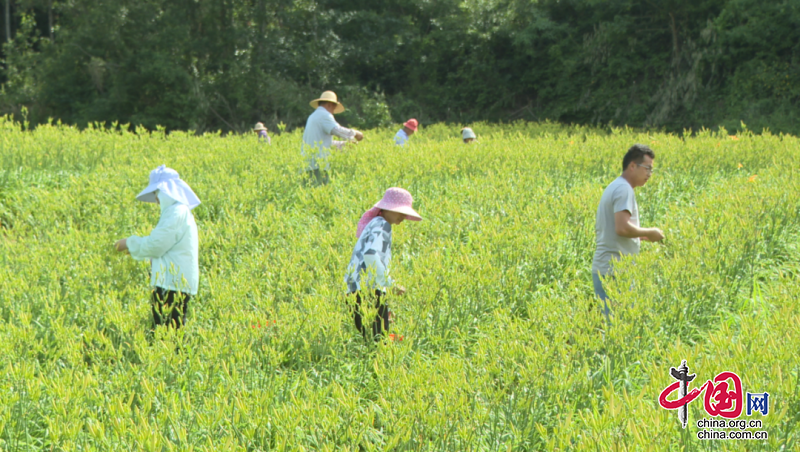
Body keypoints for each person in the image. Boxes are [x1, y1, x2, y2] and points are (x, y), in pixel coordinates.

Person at [114, 165, 201, 330]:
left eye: (157, 193)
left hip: (174, 284)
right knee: (166, 331)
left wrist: (128, 244)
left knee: (167, 332)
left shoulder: (177, 212)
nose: (156, 198)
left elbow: (156, 245)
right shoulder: (176, 212)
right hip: (172, 282)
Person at [592, 144, 665, 323]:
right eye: (647, 168)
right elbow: (622, 228)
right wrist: (651, 232)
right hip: (613, 270)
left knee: (615, 324)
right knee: (616, 326)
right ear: (632, 166)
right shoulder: (624, 189)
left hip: (611, 268)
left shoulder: (618, 186)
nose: (649, 174)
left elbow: (617, 228)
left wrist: (641, 235)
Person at [344, 187, 422, 341]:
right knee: (378, 341)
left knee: (368, 338)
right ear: (386, 209)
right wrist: (389, 284)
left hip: (355, 289)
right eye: (399, 211)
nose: (403, 216)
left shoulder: (374, 224)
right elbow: (371, 255)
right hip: (368, 290)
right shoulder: (383, 226)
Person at [301, 91, 364, 185]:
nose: (334, 110)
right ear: (330, 104)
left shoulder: (313, 116)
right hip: (319, 164)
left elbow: (322, 142)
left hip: (307, 164)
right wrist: (355, 133)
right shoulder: (324, 115)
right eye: (334, 107)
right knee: (320, 193)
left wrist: (343, 144)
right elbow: (337, 130)